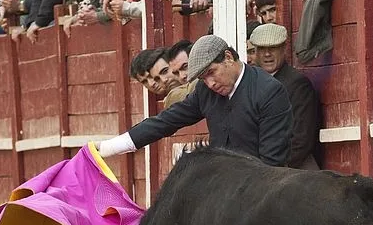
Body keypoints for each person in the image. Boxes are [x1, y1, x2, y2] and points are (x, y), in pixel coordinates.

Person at [98, 35, 293, 167]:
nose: (210, 83)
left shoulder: (269, 91)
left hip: (258, 189)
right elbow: (167, 121)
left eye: (211, 73)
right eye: (202, 79)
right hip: (221, 184)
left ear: (227, 57)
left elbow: (271, 163)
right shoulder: (205, 90)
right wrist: (110, 147)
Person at [249, 23, 319, 169]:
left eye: (273, 48)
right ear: (255, 51)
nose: (267, 54)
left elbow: (302, 139)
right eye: (262, 49)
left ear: (284, 49)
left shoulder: (297, 84)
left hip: (292, 169)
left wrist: (273, 168)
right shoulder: (251, 83)